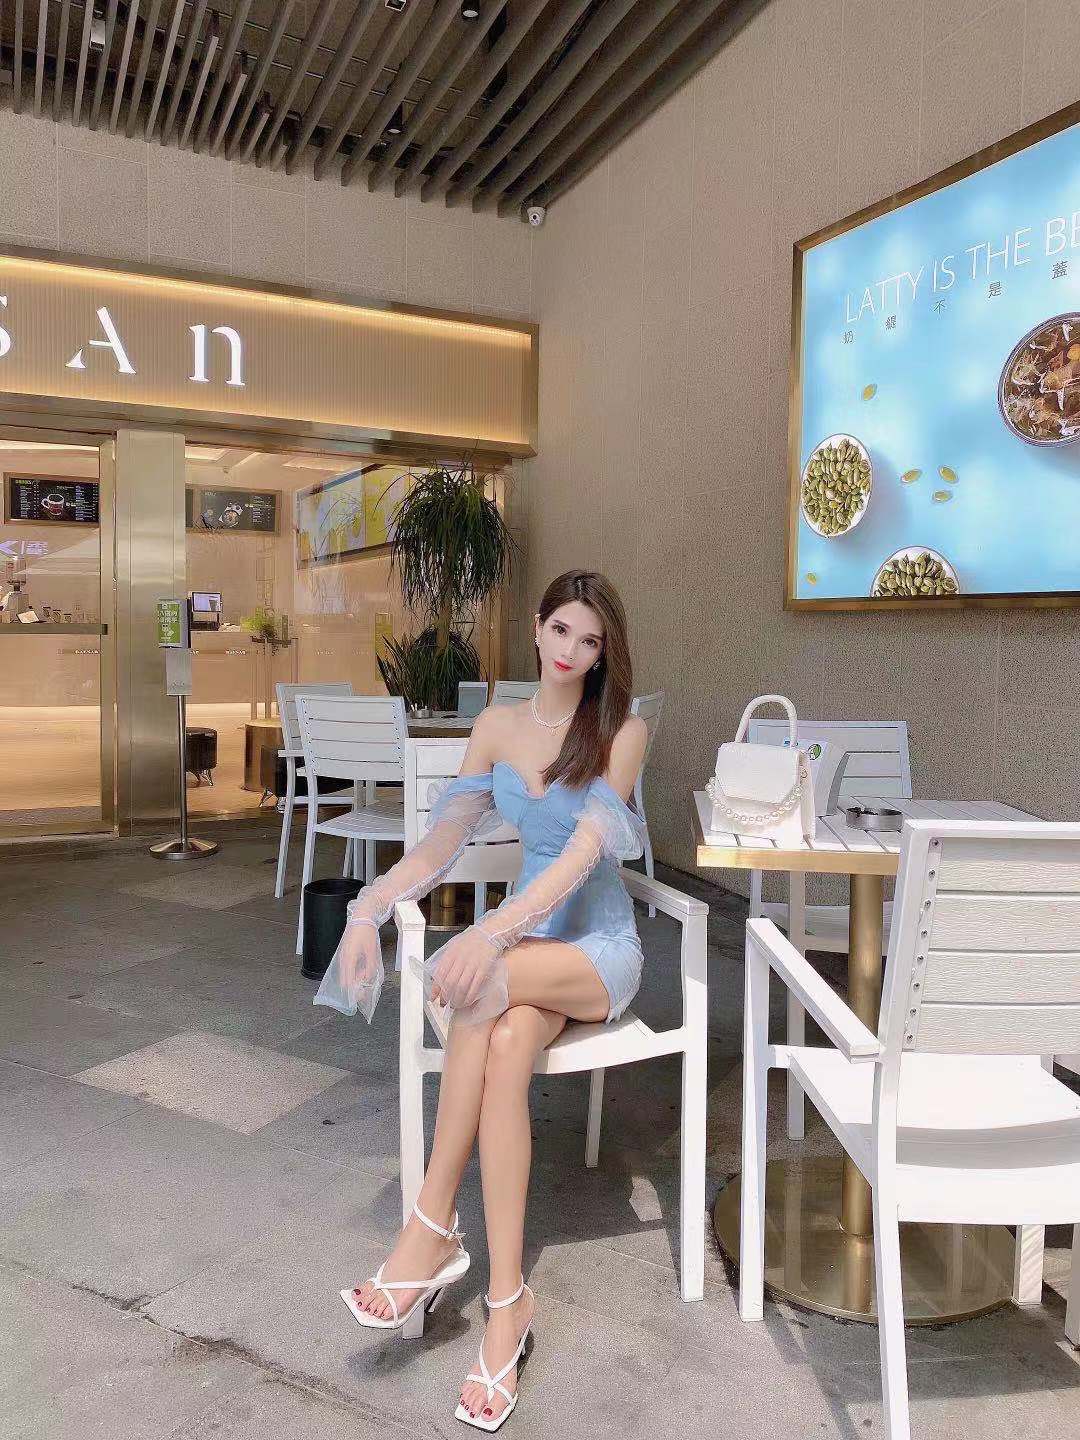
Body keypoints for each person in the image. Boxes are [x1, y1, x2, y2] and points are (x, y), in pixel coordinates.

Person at [314, 570, 649, 1432]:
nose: (572, 651)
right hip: (527, 949)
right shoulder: (497, 726)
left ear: (604, 653)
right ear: (536, 628)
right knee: (501, 1042)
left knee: (478, 986)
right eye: (562, 630)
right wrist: (368, 904)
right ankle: (507, 1306)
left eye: (591, 641)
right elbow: (442, 842)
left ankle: (430, 1229)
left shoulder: (622, 731)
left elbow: (578, 861)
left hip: (595, 951)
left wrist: (490, 935)